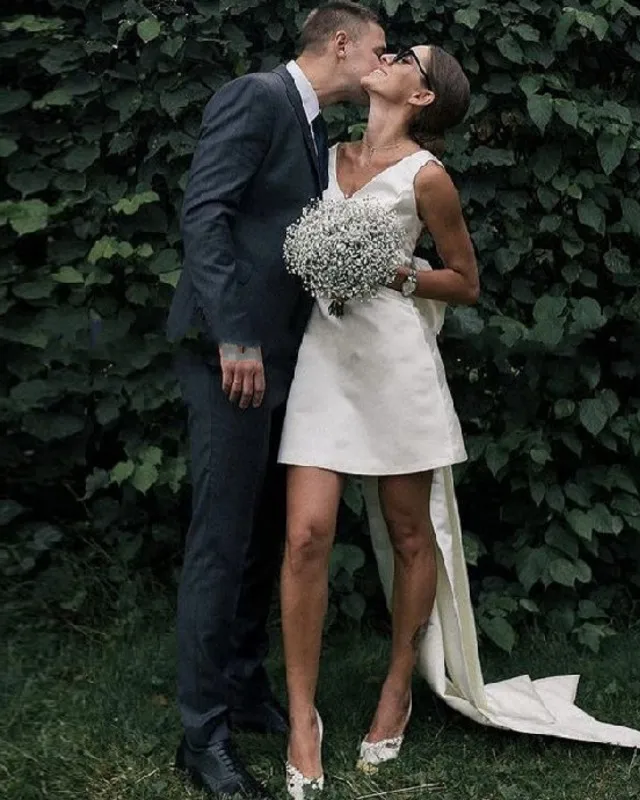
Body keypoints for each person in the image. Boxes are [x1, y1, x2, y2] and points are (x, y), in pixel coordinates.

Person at [277, 43, 640, 799]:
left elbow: (465, 282)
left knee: (408, 533)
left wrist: (393, 268)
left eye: (403, 57)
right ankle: (304, 718)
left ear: (423, 96)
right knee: (305, 535)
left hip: (396, 366)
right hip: (325, 361)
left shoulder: (429, 177)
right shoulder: (323, 154)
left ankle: (398, 683)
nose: (385, 54)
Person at [165, 4, 386, 797]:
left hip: (282, 363)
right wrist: (234, 338)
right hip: (233, 361)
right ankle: (202, 738)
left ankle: (245, 690)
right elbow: (207, 215)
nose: (383, 63)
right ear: (340, 45)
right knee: (221, 544)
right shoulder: (256, 97)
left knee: (261, 538)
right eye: (378, 50)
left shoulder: (311, 125)